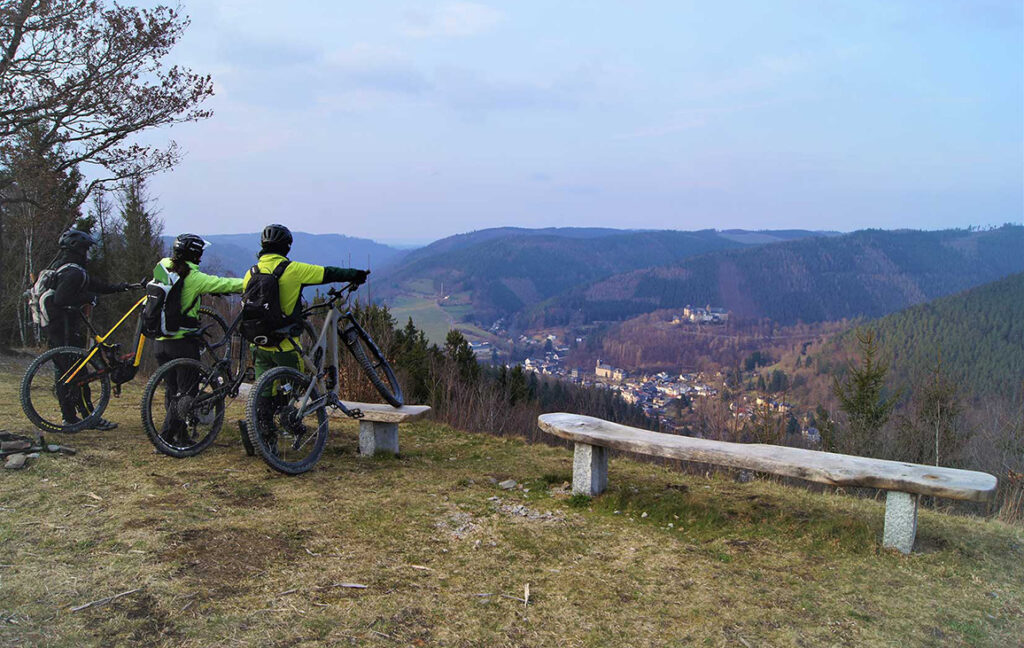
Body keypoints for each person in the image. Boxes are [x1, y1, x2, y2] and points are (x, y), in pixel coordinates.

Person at [240, 224, 368, 445]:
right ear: (286, 247)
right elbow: (328, 273)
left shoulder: (250, 273)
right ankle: (290, 424)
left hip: (259, 344)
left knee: (265, 390)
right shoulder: (293, 270)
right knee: (292, 388)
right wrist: (356, 275)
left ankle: (262, 434)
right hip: (286, 346)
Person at [151, 233, 244, 445]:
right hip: (182, 343)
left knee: (173, 390)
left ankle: (180, 435)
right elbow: (225, 284)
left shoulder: (163, 265)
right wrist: (252, 282)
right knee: (187, 393)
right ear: (196, 255)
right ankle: (165, 439)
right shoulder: (194, 278)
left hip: (160, 341)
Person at [45, 227, 132, 430]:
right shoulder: (74, 272)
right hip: (65, 329)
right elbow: (62, 298)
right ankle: (88, 417)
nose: (89, 254)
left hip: (55, 328)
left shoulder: (64, 267)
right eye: (87, 249)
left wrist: (123, 287)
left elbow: (96, 285)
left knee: (65, 374)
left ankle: (70, 417)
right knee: (78, 374)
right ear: (80, 249)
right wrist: (89, 298)